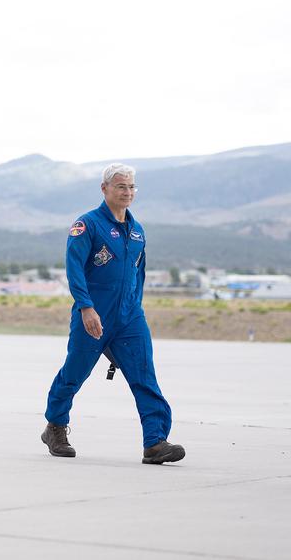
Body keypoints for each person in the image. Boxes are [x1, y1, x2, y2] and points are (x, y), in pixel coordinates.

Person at [41, 163, 185, 464]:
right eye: (121, 186)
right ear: (104, 188)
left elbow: (138, 274)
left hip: (130, 316)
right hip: (93, 313)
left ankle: (155, 442)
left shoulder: (137, 231)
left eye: (132, 187)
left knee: (144, 374)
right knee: (75, 372)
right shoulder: (87, 225)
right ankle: (55, 426)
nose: (128, 192)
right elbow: (74, 268)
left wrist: (136, 308)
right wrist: (86, 306)